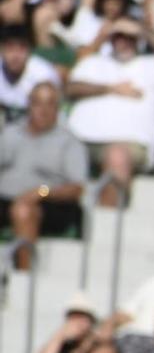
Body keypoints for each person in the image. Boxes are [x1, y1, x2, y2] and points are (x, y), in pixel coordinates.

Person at [63, 17, 154, 207]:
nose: (123, 41)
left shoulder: (152, 65)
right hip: (78, 141)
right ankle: (39, 201)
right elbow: (70, 88)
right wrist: (111, 89)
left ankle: (106, 227)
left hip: (128, 144)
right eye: (118, 36)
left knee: (116, 156)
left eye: (129, 37)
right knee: (43, 160)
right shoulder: (93, 62)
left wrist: (142, 28)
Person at [0, 80, 87, 269]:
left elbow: (77, 188)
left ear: (58, 108)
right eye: (37, 103)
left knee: (23, 209)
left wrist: (41, 192)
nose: (43, 110)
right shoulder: (10, 134)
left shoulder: (69, 142)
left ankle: (23, 279)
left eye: (50, 104)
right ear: (29, 105)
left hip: (47, 204)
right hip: (4, 199)